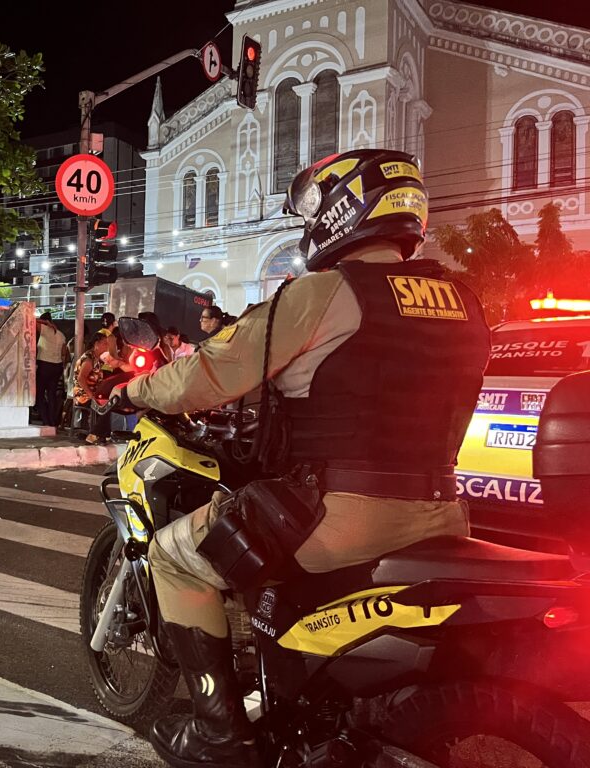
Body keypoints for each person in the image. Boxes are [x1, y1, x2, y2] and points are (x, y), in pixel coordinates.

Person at [110, 150, 492, 768]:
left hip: (338, 518)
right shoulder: (464, 300)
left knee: (174, 557)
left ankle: (218, 734)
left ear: (343, 209)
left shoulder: (324, 292)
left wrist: (131, 390)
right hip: (444, 515)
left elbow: (207, 374)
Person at [73, 334, 111, 445]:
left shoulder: (98, 359)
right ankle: (97, 434)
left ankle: (103, 434)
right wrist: (91, 395)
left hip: (92, 392)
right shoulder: (88, 358)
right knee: (105, 406)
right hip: (83, 393)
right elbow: (81, 378)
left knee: (109, 402)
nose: (107, 346)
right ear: (96, 344)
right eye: (105, 343)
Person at [35, 312, 68, 428]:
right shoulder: (61, 335)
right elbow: (64, 354)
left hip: (45, 365)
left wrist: (45, 323)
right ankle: (53, 421)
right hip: (57, 367)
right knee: (51, 394)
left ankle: (46, 420)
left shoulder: (45, 330)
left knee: (39, 394)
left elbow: (31, 321)